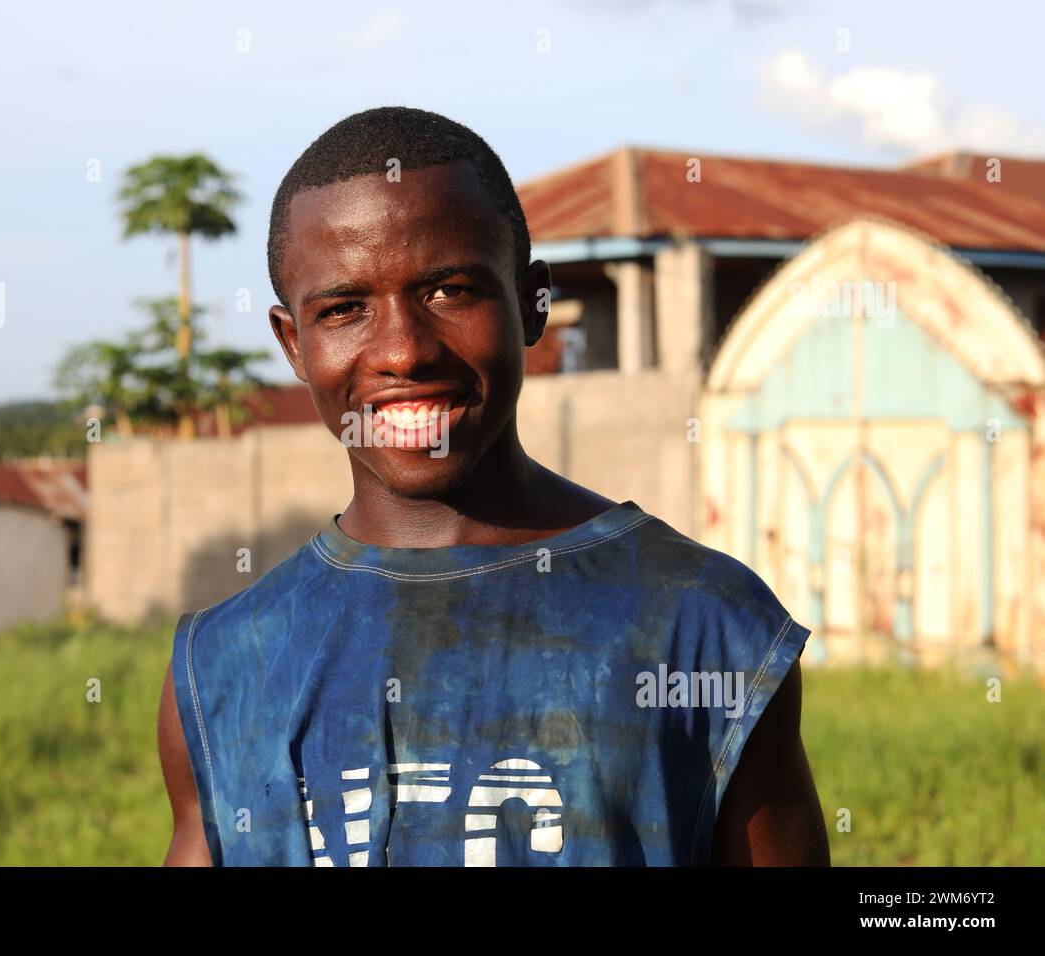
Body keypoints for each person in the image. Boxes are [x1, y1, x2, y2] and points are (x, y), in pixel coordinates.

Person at [157, 106, 829, 866]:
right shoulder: (224, 670)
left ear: (532, 302)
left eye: (448, 291)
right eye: (345, 309)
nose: (403, 351)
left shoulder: (706, 630)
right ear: (294, 344)